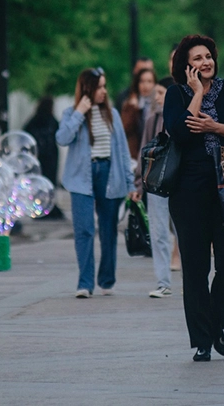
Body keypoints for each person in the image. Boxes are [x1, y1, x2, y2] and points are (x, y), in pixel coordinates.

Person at [163, 34, 224, 362]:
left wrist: (217, 126)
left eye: (208, 56)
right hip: (188, 192)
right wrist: (198, 93)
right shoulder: (176, 94)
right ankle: (202, 340)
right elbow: (180, 131)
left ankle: (216, 321)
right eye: (197, 59)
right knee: (195, 267)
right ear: (186, 66)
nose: (205, 62)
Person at [55, 67, 134, 298]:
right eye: (99, 87)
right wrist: (80, 112)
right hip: (81, 178)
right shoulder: (71, 114)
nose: (104, 91)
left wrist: (130, 184)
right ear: (88, 89)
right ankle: (85, 283)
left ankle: (107, 280)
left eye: (104, 86)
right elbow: (62, 138)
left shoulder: (113, 114)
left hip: (110, 175)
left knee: (108, 230)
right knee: (84, 230)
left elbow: (121, 151)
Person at [130, 76, 179, 298]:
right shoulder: (152, 120)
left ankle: (194, 281)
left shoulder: (183, 117)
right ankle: (163, 282)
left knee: (184, 233)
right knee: (159, 233)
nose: (156, 97)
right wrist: (139, 185)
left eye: (161, 93)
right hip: (157, 184)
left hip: (181, 185)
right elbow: (144, 153)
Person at [23, 97, 64, 220]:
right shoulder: (51, 121)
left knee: (41, 183)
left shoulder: (35, 121)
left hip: (40, 157)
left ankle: (41, 205)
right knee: (49, 182)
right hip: (50, 156)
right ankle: (47, 206)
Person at [121, 67, 157, 161]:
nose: (145, 85)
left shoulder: (159, 105)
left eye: (149, 81)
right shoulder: (130, 105)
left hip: (154, 154)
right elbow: (124, 129)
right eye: (142, 81)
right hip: (135, 156)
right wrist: (132, 109)